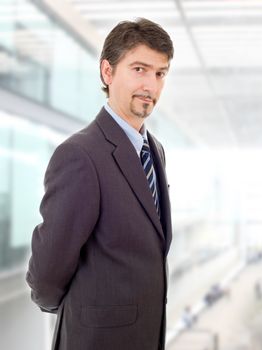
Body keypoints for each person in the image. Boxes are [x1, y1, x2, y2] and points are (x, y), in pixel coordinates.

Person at [25, 18, 174, 350]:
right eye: (139, 69)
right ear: (107, 72)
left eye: (160, 73)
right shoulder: (80, 155)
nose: (150, 85)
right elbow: (47, 272)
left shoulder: (155, 152)